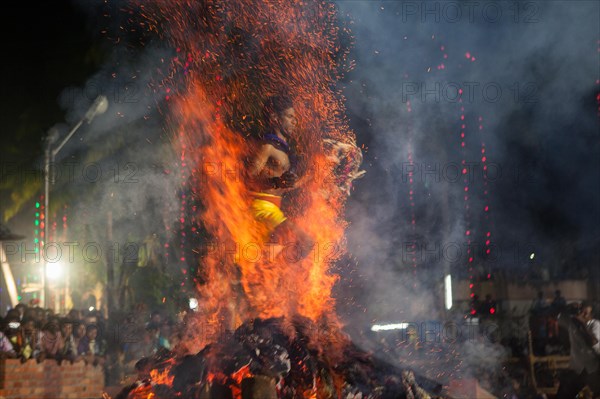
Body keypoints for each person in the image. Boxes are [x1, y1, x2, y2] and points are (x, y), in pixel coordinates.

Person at [247, 94, 313, 259]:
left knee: (269, 257)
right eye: (290, 116)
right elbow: (248, 180)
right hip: (261, 208)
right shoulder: (267, 147)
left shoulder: (283, 151)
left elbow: (285, 185)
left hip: (274, 210)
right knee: (305, 241)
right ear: (275, 118)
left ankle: (264, 275)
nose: (294, 121)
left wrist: (310, 177)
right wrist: (276, 182)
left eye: (295, 117)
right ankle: (267, 273)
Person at [556, 302, 600, 398]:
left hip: (592, 369)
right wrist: (567, 307)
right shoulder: (572, 322)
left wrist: (582, 324)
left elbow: (593, 341)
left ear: (591, 315)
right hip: (577, 368)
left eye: (586, 313)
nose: (582, 314)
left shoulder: (595, 325)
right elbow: (559, 316)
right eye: (582, 311)